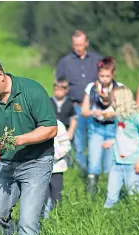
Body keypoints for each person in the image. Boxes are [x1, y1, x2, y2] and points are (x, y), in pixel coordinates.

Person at [0, 57, 58, 235]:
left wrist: (20, 139)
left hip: (36, 162)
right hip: (5, 163)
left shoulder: (31, 91)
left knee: (27, 222)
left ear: (1, 75)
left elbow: (50, 128)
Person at [56, 30, 102, 175]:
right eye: (76, 45)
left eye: (81, 44)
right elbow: (59, 84)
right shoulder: (65, 62)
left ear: (86, 43)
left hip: (95, 107)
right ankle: (82, 172)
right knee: (79, 143)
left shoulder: (97, 60)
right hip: (76, 107)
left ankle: (98, 171)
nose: (78, 47)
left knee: (97, 140)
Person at [81, 56, 124, 194]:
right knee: (94, 161)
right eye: (101, 75)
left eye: (107, 76)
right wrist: (94, 111)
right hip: (96, 127)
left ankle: (110, 191)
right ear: (97, 73)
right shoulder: (92, 88)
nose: (104, 79)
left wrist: (114, 112)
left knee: (110, 164)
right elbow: (84, 110)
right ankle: (91, 193)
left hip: (113, 128)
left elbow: (125, 110)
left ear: (113, 74)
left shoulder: (119, 88)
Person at [102, 87, 139, 208]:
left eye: (113, 100)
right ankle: (105, 219)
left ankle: (135, 220)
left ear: (121, 100)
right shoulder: (119, 117)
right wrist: (112, 141)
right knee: (111, 196)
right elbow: (124, 135)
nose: (112, 103)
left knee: (135, 197)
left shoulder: (136, 117)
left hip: (133, 164)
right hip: (117, 163)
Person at [43, 120, 71, 219]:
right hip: (40, 170)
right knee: (42, 197)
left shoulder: (58, 124)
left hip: (57, 168)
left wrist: (52, 156)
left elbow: (66, 145)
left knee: (56, 195)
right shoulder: (33, 124)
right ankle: (43, 219)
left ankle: (58, 217)